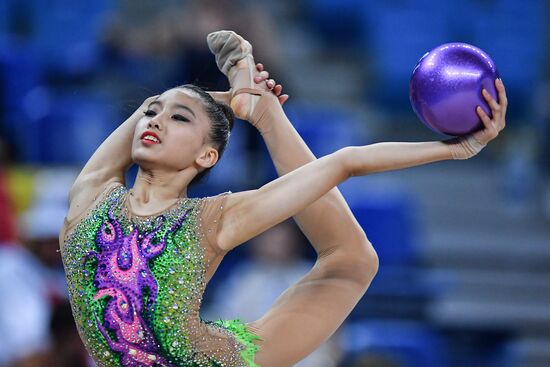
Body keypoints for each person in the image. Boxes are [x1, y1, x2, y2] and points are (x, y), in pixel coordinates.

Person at [58, 30, 507, 367]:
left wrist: (457, 149)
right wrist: (223, 98)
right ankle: (258, 109)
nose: (154, 119)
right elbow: (155, 104)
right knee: (353, 262)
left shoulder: (212, 220)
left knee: (353, 261)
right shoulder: (91, 195)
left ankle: (268, 116)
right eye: (151, 113)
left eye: (177, 118)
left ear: (208, 154)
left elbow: (346, 160)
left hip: (217, 361)